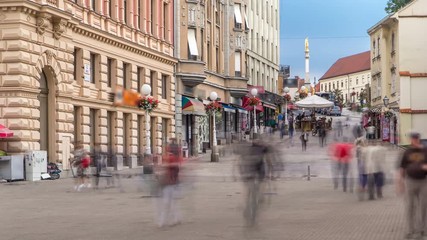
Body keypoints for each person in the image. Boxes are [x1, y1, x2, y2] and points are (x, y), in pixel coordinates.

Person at [396, 132, 427, 239]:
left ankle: (422, 230)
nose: (414, 140)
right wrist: (400, 183)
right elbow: (402, 167)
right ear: (411, 140)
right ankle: (410, 230)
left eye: (416, 139)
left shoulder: (425, 150)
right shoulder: (407, 152)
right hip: (410, 182)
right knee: (410, 207)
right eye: (413, 139)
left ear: (419, 139)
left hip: (423, 182)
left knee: (423, 207)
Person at [156, 138, 183, 227]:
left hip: (169, 183)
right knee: (171, 203)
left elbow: (170, 168)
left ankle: (163, 222)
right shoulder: (174, 158)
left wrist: (164, 167)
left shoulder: (169, 158)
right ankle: (176, 219)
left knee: (167, 203)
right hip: (173, 183)